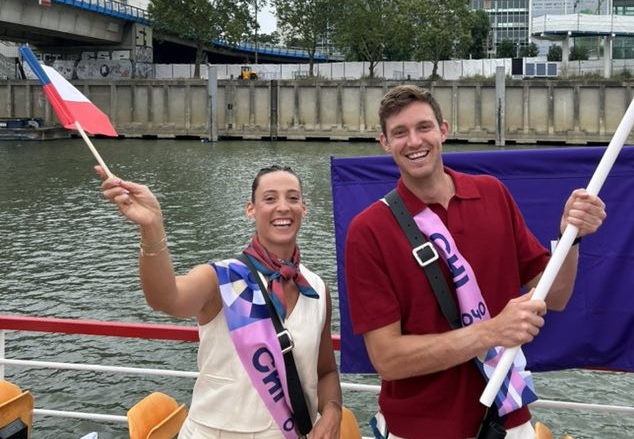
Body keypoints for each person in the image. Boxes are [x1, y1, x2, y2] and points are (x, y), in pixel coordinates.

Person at [344, 85, 607, 439]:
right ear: (385, 143)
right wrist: (491, 331)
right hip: (420, 427)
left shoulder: (493, 193)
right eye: (400, 133)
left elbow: (555, 296)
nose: (414, 141)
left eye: (424, 127)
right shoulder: (369, 230)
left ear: (444, 130)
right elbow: (387, 359)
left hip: (509, 420)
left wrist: (572, 238)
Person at [97, 165, 342, 439]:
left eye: (293, 198)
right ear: (251, 210)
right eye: (270, 199)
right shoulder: (220, 279)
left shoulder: (317, 289)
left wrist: (333, 411)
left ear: (304, 209)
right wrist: (152, 226)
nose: (283, 207)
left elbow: (325, 371)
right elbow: (166, 298)